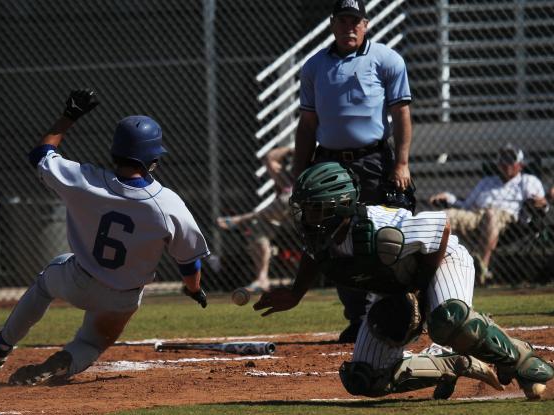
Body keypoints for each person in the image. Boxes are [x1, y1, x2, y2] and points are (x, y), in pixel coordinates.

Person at [254, 162, 554, 400]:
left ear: (339, 205)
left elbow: (442, 227)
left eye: (313, 209)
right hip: (399, 284)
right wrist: (295, 293)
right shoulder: (325, 236)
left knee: (447, 319)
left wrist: (421, 289)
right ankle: (448, 363)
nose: (305, 218)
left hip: (441, 260)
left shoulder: (378, 229)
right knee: (365, 378)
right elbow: (312, 254)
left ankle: (521, 360)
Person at [0, 89, 210, 386]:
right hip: (123, 298)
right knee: (92, 343)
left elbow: (40, 155)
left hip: (78, 280)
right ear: (154, 158)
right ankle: (66, 361)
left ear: (115, 151)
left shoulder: (84, 181)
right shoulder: (169, 204)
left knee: (45, 282)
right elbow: (188, 262)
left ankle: (2, 343)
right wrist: (193, 290)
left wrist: (68, 117)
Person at [292, 0, 415, 342]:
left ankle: (394, 312)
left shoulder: (387, 60)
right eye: (343, 20)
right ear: (332, 23)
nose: (349, 27)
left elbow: (402, 114)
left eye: (355, 21)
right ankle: (358, 318)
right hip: (329, 163)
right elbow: (307, 124)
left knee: (378, 236)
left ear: (366, 24)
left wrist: (402, 162)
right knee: (336, 240)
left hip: (373, 160)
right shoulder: (314, 66)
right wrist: (299, 172)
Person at [429, 144, 548, 284]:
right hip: (475, 215)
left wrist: (541, 204)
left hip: (506, 220)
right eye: (502, 159)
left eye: (510, 159)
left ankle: (482, 268)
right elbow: (466, 206)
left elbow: (541, 205)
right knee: (443, 216)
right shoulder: (487, 182)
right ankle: (432, 267)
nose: (505, 163)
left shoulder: (528, 181)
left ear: (520, 164)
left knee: (490, 214)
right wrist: (449, 198)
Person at [216, 146, 295, 292]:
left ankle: (240, 220)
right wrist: (292, 149)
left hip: (308, 217)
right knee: (257, 226)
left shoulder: (314, 173)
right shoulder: (285, 178)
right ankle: (262, 279)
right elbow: (270, 157)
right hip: (282, 218)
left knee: (289, 199)